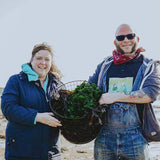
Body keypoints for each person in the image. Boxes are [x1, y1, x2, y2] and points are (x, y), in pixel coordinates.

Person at [88, 24, 160, 160]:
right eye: (121, 37)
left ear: (137, 38)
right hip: (104, 137)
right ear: (115, 42)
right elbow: (89, 89)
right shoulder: (105, 65)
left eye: (130, 36)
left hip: (135, 137)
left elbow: (151, 93)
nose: (126, 40)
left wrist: (114, 97)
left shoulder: (148, 66)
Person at [1, 43, 63, 160]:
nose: (43, 62)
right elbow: (8, 109)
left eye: (47, 59)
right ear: (31, 60)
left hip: (51, 153)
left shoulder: (57, 85)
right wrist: (37, 117)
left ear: (51, 63)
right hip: (21, 152)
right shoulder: (16, 81)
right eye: (39, 58)